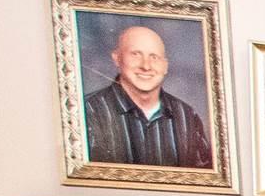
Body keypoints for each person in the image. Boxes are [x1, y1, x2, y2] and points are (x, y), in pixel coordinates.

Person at [82, 21, 212, 168]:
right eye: (136, 54)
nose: (146, 66)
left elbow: (203, 178)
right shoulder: (87, 111)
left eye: (154, 57)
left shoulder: (187, 116)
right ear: (117, 58)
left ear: (165, 66)